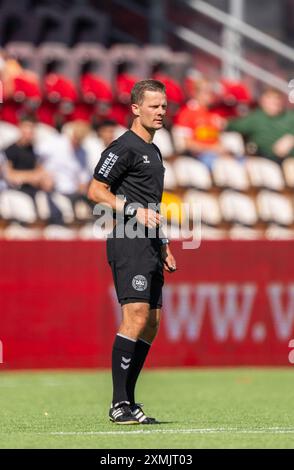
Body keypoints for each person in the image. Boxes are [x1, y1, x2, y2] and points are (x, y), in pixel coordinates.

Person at [87, 79, 177, 425]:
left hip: (151, 242)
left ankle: (130, 400)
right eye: (154, 106)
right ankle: (118, 403)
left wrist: (164, 243)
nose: (161, 112)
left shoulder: (153, 151)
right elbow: (95, 190)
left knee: (152, 323)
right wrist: (132, 210)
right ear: (135, 108)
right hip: (128, 239)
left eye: (164, 106)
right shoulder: (122, 147)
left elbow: (151, 203)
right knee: (136, 315)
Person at [226, 87, 294, 162]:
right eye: (269, 99)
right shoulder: (255, 118)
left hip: (290, 157)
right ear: (262, 101)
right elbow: (234, 125)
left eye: (277, 99)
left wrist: (291, 138)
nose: (274, 103)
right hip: (267, 158)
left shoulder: (289, 116)